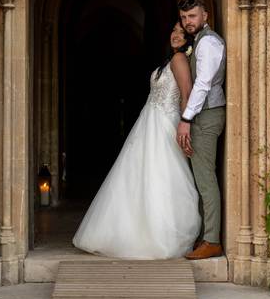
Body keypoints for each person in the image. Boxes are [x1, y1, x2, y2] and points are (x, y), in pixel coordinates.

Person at [72, 22, 201, 259]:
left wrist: (185, 123)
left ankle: (158, 234)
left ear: (189, 40)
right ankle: (135, 231)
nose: (175, 35)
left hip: (165, 123)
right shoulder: (169, 60)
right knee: (140, 176)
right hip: (149, 123)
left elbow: (186, 93)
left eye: (182, 33)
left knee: (161, 175)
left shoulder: (180, 60)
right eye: (173, 30)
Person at [176, 0, 226, 261]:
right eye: (184, 18)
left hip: (206, 115)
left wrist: (185, 118)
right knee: (201, 177)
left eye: (192, 16)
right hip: (202, 114)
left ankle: (212, 241)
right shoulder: (197, 42)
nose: (188, 22)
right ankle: (206, 235)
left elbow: (203, 84)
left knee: (205, 179)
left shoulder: (209, 42)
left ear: (205, 15)